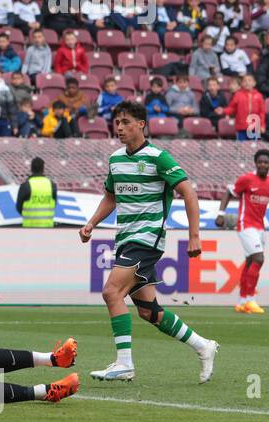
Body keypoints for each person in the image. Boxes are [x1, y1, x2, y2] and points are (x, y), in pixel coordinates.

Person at [79, 101, 218, 383]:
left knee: (111, 292)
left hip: (147, 239)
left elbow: (188, 192)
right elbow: (111, 196)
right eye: (117, 122)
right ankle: (204, 346)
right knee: (148, 311)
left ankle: (124, 364)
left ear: (141, 124)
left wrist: (194, 235)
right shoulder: (116, 159)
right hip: (126, 240)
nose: (119, 127)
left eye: (125, 122)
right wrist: (92, 222)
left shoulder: (158, 157)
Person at [218, 149, 269, 315]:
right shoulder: (246, 179)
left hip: (260, 227)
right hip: (246, 225)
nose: (263, 165)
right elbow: (228, 194)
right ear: (255, 163)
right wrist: (220, 214)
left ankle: (242, 301)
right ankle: (251, 299)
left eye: (266, 162)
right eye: (260, 162)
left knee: (251, 261)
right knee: (259, 258)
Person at [15, 156, 57, 228]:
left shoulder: (26, 185)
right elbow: (54, 203)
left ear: (31, 168)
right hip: (48, 227)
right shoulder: (52, 185)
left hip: (29, 227)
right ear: (43, 168)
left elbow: (19, 207)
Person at [227, 73, 266, 141]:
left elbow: (262, 112)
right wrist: (223, 111)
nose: (247, 82)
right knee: (242, 148)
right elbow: (232, 108)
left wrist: (262, 125)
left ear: (254, 83)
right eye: (245, 81)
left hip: (254, 127)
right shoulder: (238, 95)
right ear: (242, 84)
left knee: (254, 147)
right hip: (241, 127)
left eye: (249, 80)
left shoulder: (259, 96)